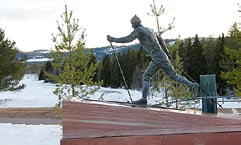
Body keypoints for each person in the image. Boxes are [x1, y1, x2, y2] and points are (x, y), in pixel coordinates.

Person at [107, 15, 199, 105]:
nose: (132, 26)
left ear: (134, 24)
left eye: (132, 24)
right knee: (164, 75)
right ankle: (192, 85)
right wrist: (167, 53)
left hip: (157, 57)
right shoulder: (150, 29)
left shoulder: (139, 30)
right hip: (160, 55)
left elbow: (128, 39)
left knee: (153, 76)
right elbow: (161, 40)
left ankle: (144, 99)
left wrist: (113, 39)